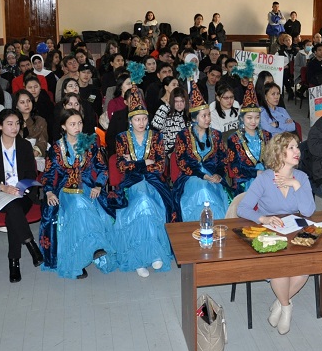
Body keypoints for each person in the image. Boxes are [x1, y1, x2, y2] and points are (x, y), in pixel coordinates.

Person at [237, 132, 315, 334]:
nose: (297, 151)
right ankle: (287, 308)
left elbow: (308, 211)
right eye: (291, 148)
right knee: (280, 268)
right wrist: (263, 219)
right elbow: (242, 209)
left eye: (297, 147)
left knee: (304, 269)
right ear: (279, 152)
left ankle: (280, 303)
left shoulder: (302, 177)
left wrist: (295, 185)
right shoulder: (264, 179)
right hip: (270, 233)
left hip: (294, 232)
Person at [39, 110, 117, 279]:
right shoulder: (56, 148)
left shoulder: (90, 144)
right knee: (79, 204)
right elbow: (48, 174)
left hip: (88, 186)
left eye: (79, 123)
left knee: (94, 208)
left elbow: (102, 168)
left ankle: (90, 250)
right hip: (65, 189)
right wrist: (49, 192)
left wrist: (98, 185)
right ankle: (93, 248)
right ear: (63, 126)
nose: (77, 127)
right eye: (72, 124)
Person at [110, 90, 173, 276]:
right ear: (130, 120)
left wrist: (134, 163)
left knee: (150, 203)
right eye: (137, 119)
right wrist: (144, 163)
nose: (141, 123)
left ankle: (154, 253)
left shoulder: (156, 137)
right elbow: (121, 166)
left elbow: (160, 166)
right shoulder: (122, 138)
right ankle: (138, 258)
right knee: (142, 203)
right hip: (131, 183)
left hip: (153, 181)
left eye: (144, 119)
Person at [0, 110, 44, 283]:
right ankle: (30, 245)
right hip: (0, 193)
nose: (14, 127)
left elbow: (31, 172)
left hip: (22, 193)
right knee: (14, 210)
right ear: (0, 126)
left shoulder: (24, 146)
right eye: (9, 124)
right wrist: (3, 187)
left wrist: (22, 187)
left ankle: (14, 261)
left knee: (13, 213)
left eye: (17, 123)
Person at [172, 83, 231, 221]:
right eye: (204, 116)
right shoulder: (183, 136)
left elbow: (223, 159)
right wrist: (202, 175)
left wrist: (218, 174)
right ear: (194, 118)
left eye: (209, 115)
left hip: (213, 176)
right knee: (203, 189)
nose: (208, 119)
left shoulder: (216, 134)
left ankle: (215, 225)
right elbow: (182, 162)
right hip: (191, 176)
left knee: (213, 191)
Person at [226, 81, 271, 193]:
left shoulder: (266, 135)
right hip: (245, 179)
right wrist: (255, 173)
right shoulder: (234, 139)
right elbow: (235, 167)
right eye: (249, 118)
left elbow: (273, 158)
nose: (253, 121)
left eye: (257, 117)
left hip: (267, 176)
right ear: (242, 118)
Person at [152, 86, 188, 153]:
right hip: (168, 152)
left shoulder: (189, 115)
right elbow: (155, 124)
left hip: (185, 152)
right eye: (176, 101)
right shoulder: (166, 112)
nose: (179, 104)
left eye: (182, 101)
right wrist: (166, 107)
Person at [13, 90, 49, 158]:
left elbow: (43, 141)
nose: (26, 105)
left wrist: (34, 153)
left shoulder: (40, 120)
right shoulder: (12, 122)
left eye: (29, 101)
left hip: (35, 156)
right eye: (22, 102)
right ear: (16, 106)